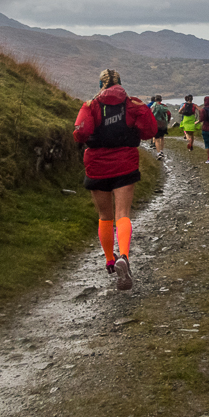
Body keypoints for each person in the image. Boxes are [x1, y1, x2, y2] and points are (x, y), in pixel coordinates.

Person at [73, 68, 157, 291]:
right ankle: (125, 257)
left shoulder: (90, 106)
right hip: (125, 163)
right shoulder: (132, 104)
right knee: (123, 214)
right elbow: (150, 130)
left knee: (104, 216)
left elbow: (81, 133)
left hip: (97, 165)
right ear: (120, 83)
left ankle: (110, 260)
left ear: (100, 85)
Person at [150, 94, 171, 160]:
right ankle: (161, 151)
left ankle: (159, 153)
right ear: (161, 100)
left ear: (155, 99)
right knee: (162, 137)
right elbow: (169, 113)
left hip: (155, 124)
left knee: (156, 138)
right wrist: (168, 120)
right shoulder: (163, 106)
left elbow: (150, 114)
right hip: (163, 124)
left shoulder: (153, 106)